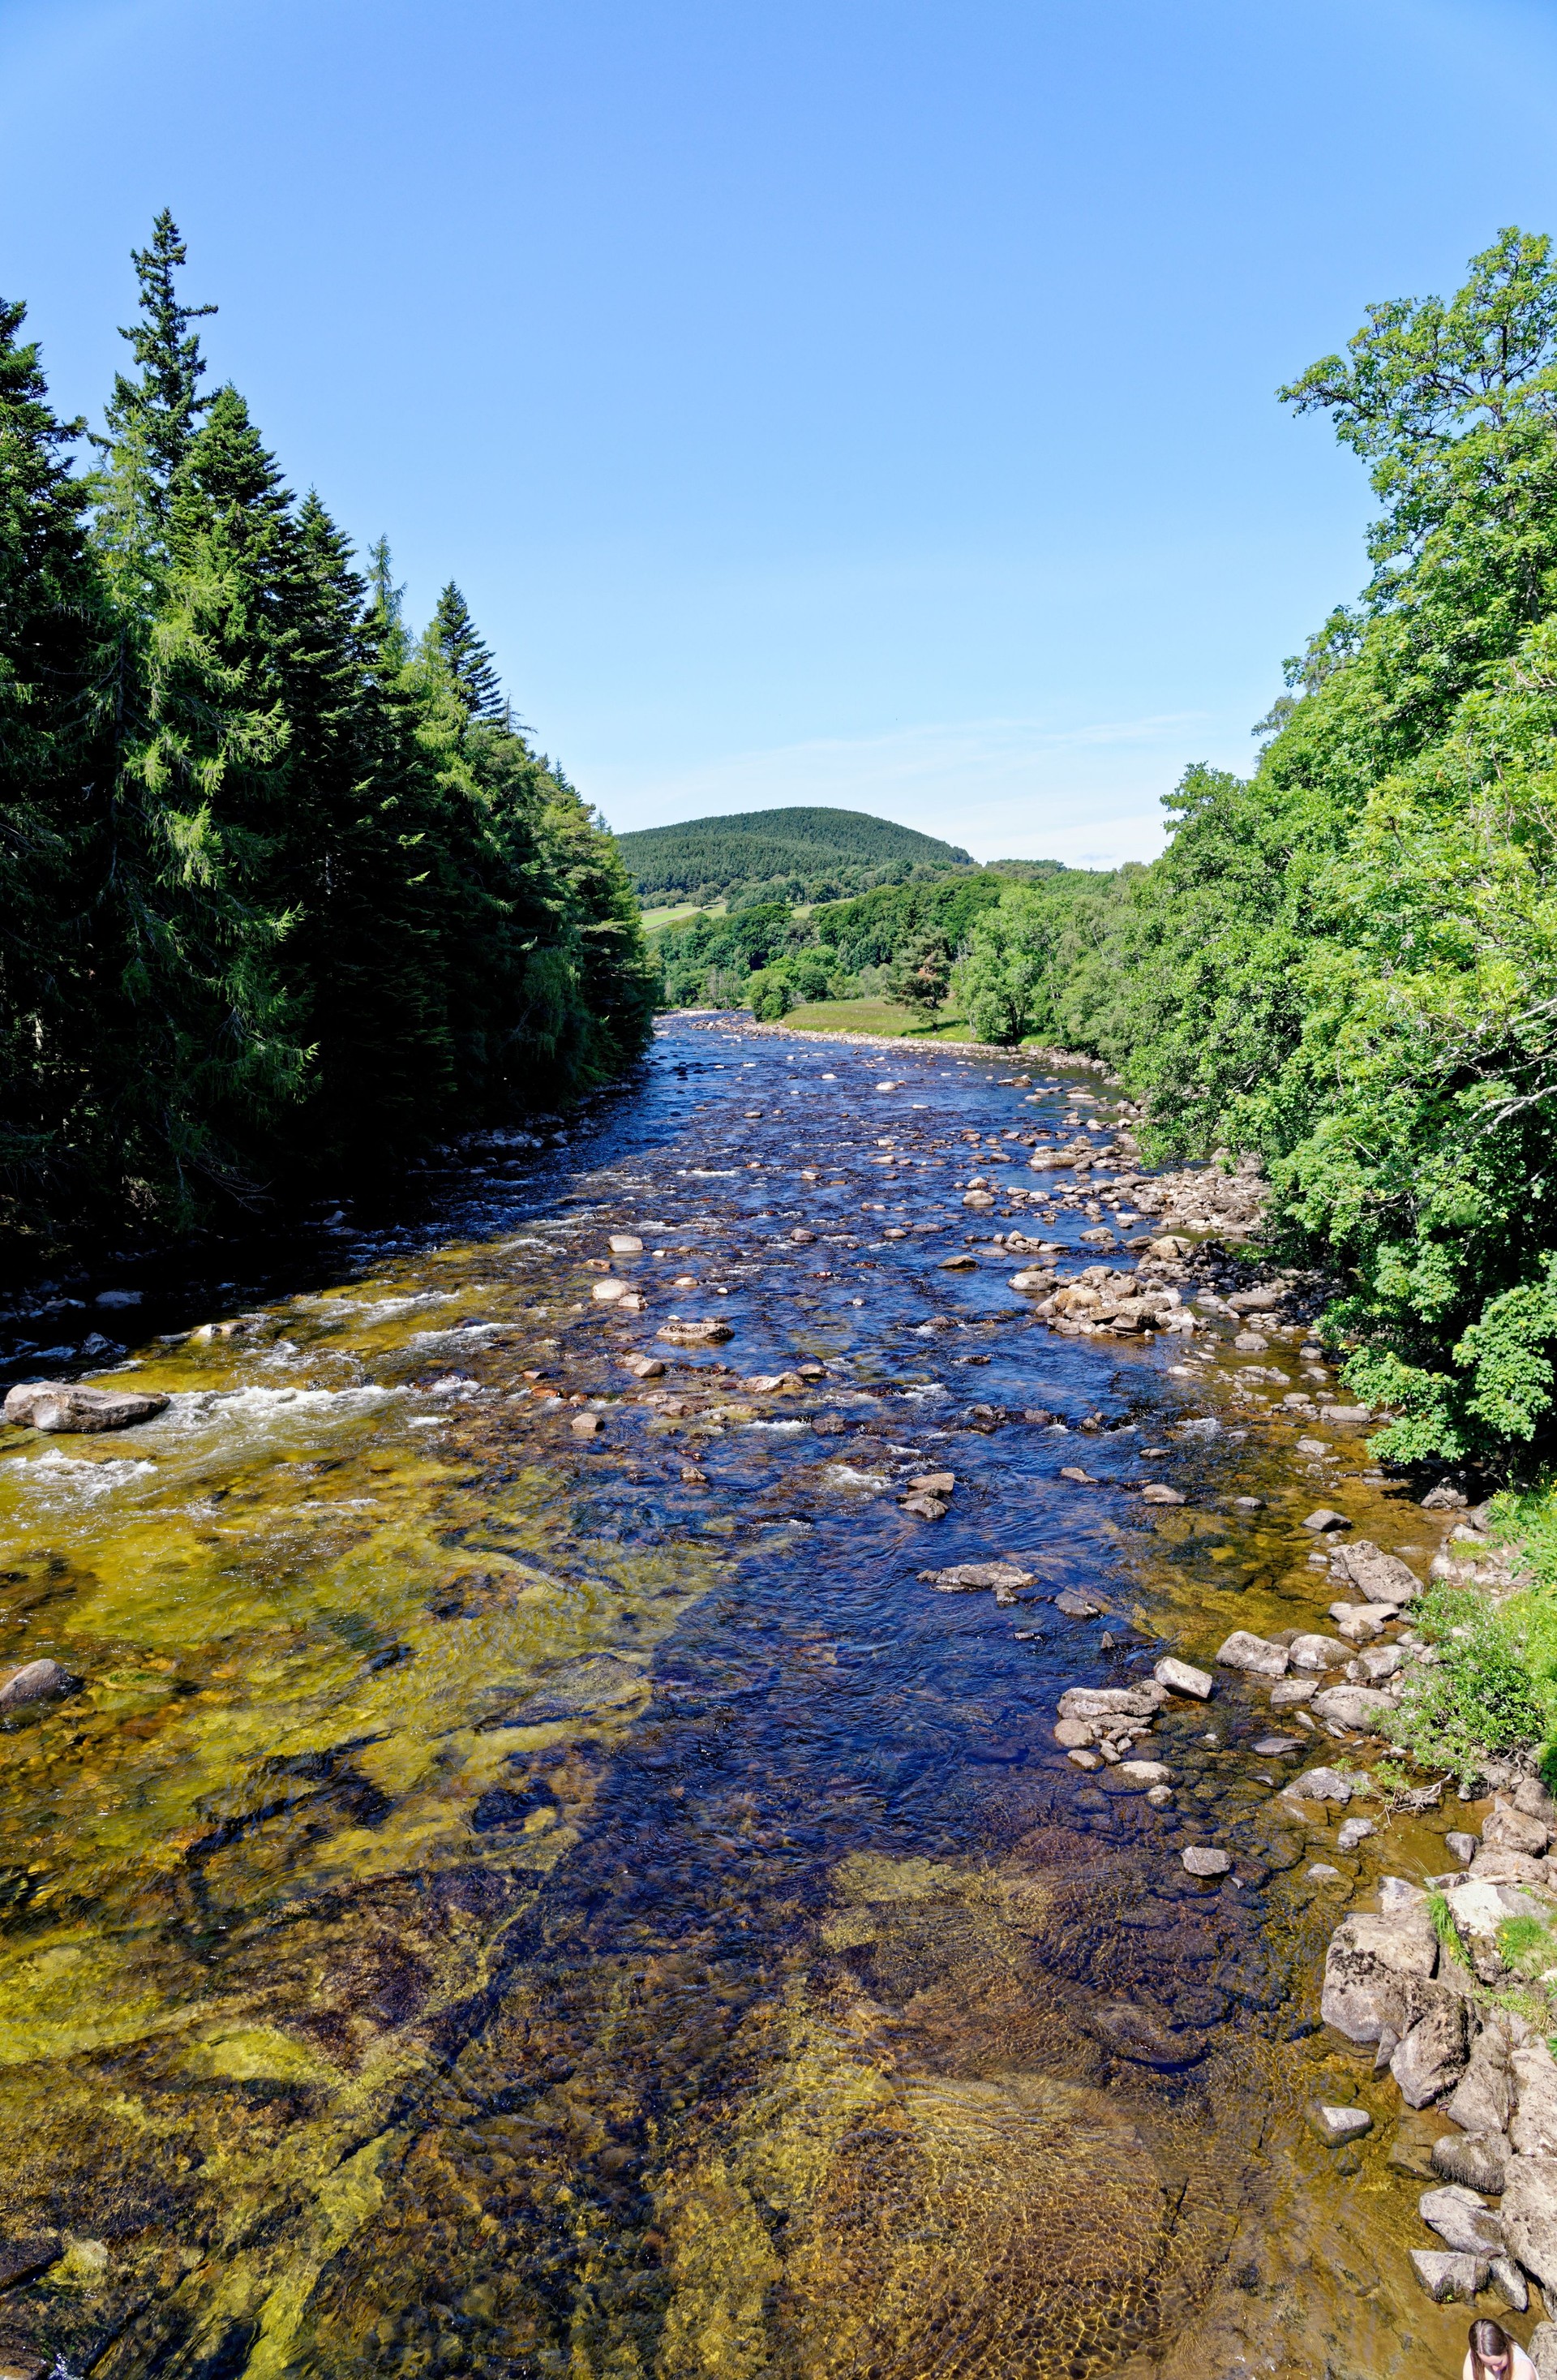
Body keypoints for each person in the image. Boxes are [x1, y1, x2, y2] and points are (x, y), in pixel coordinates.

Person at [1465, 2318, 1538, 2380]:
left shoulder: (1523, 2372)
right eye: (1488, 2363)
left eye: (1499, 2363)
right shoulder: (1481, 2345)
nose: (1495, 2369)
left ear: (1506, 2346)